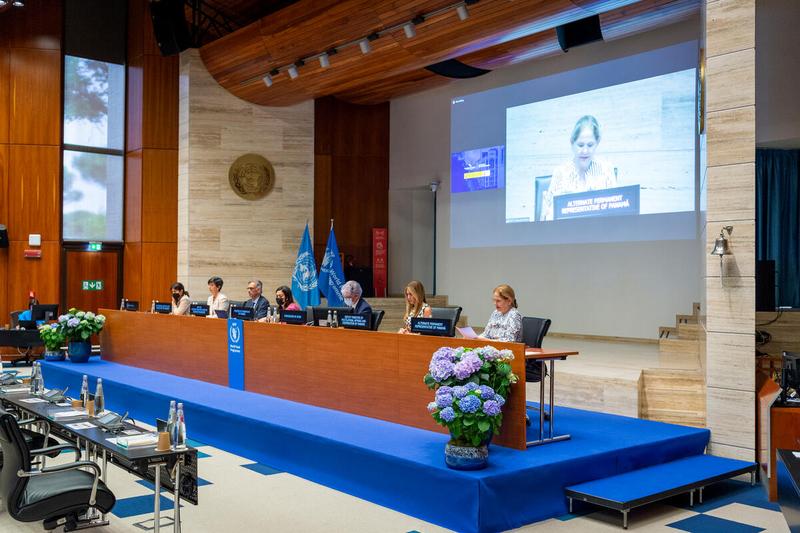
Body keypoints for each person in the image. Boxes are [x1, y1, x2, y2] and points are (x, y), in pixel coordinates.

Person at [540, 115, 618, 221]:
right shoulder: (560, 172)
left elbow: (616, 214)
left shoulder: (606, 169)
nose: (585, 151)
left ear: (597, 143)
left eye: (590, 145)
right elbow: (545, 217)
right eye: (580, 145)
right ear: (572, 142)